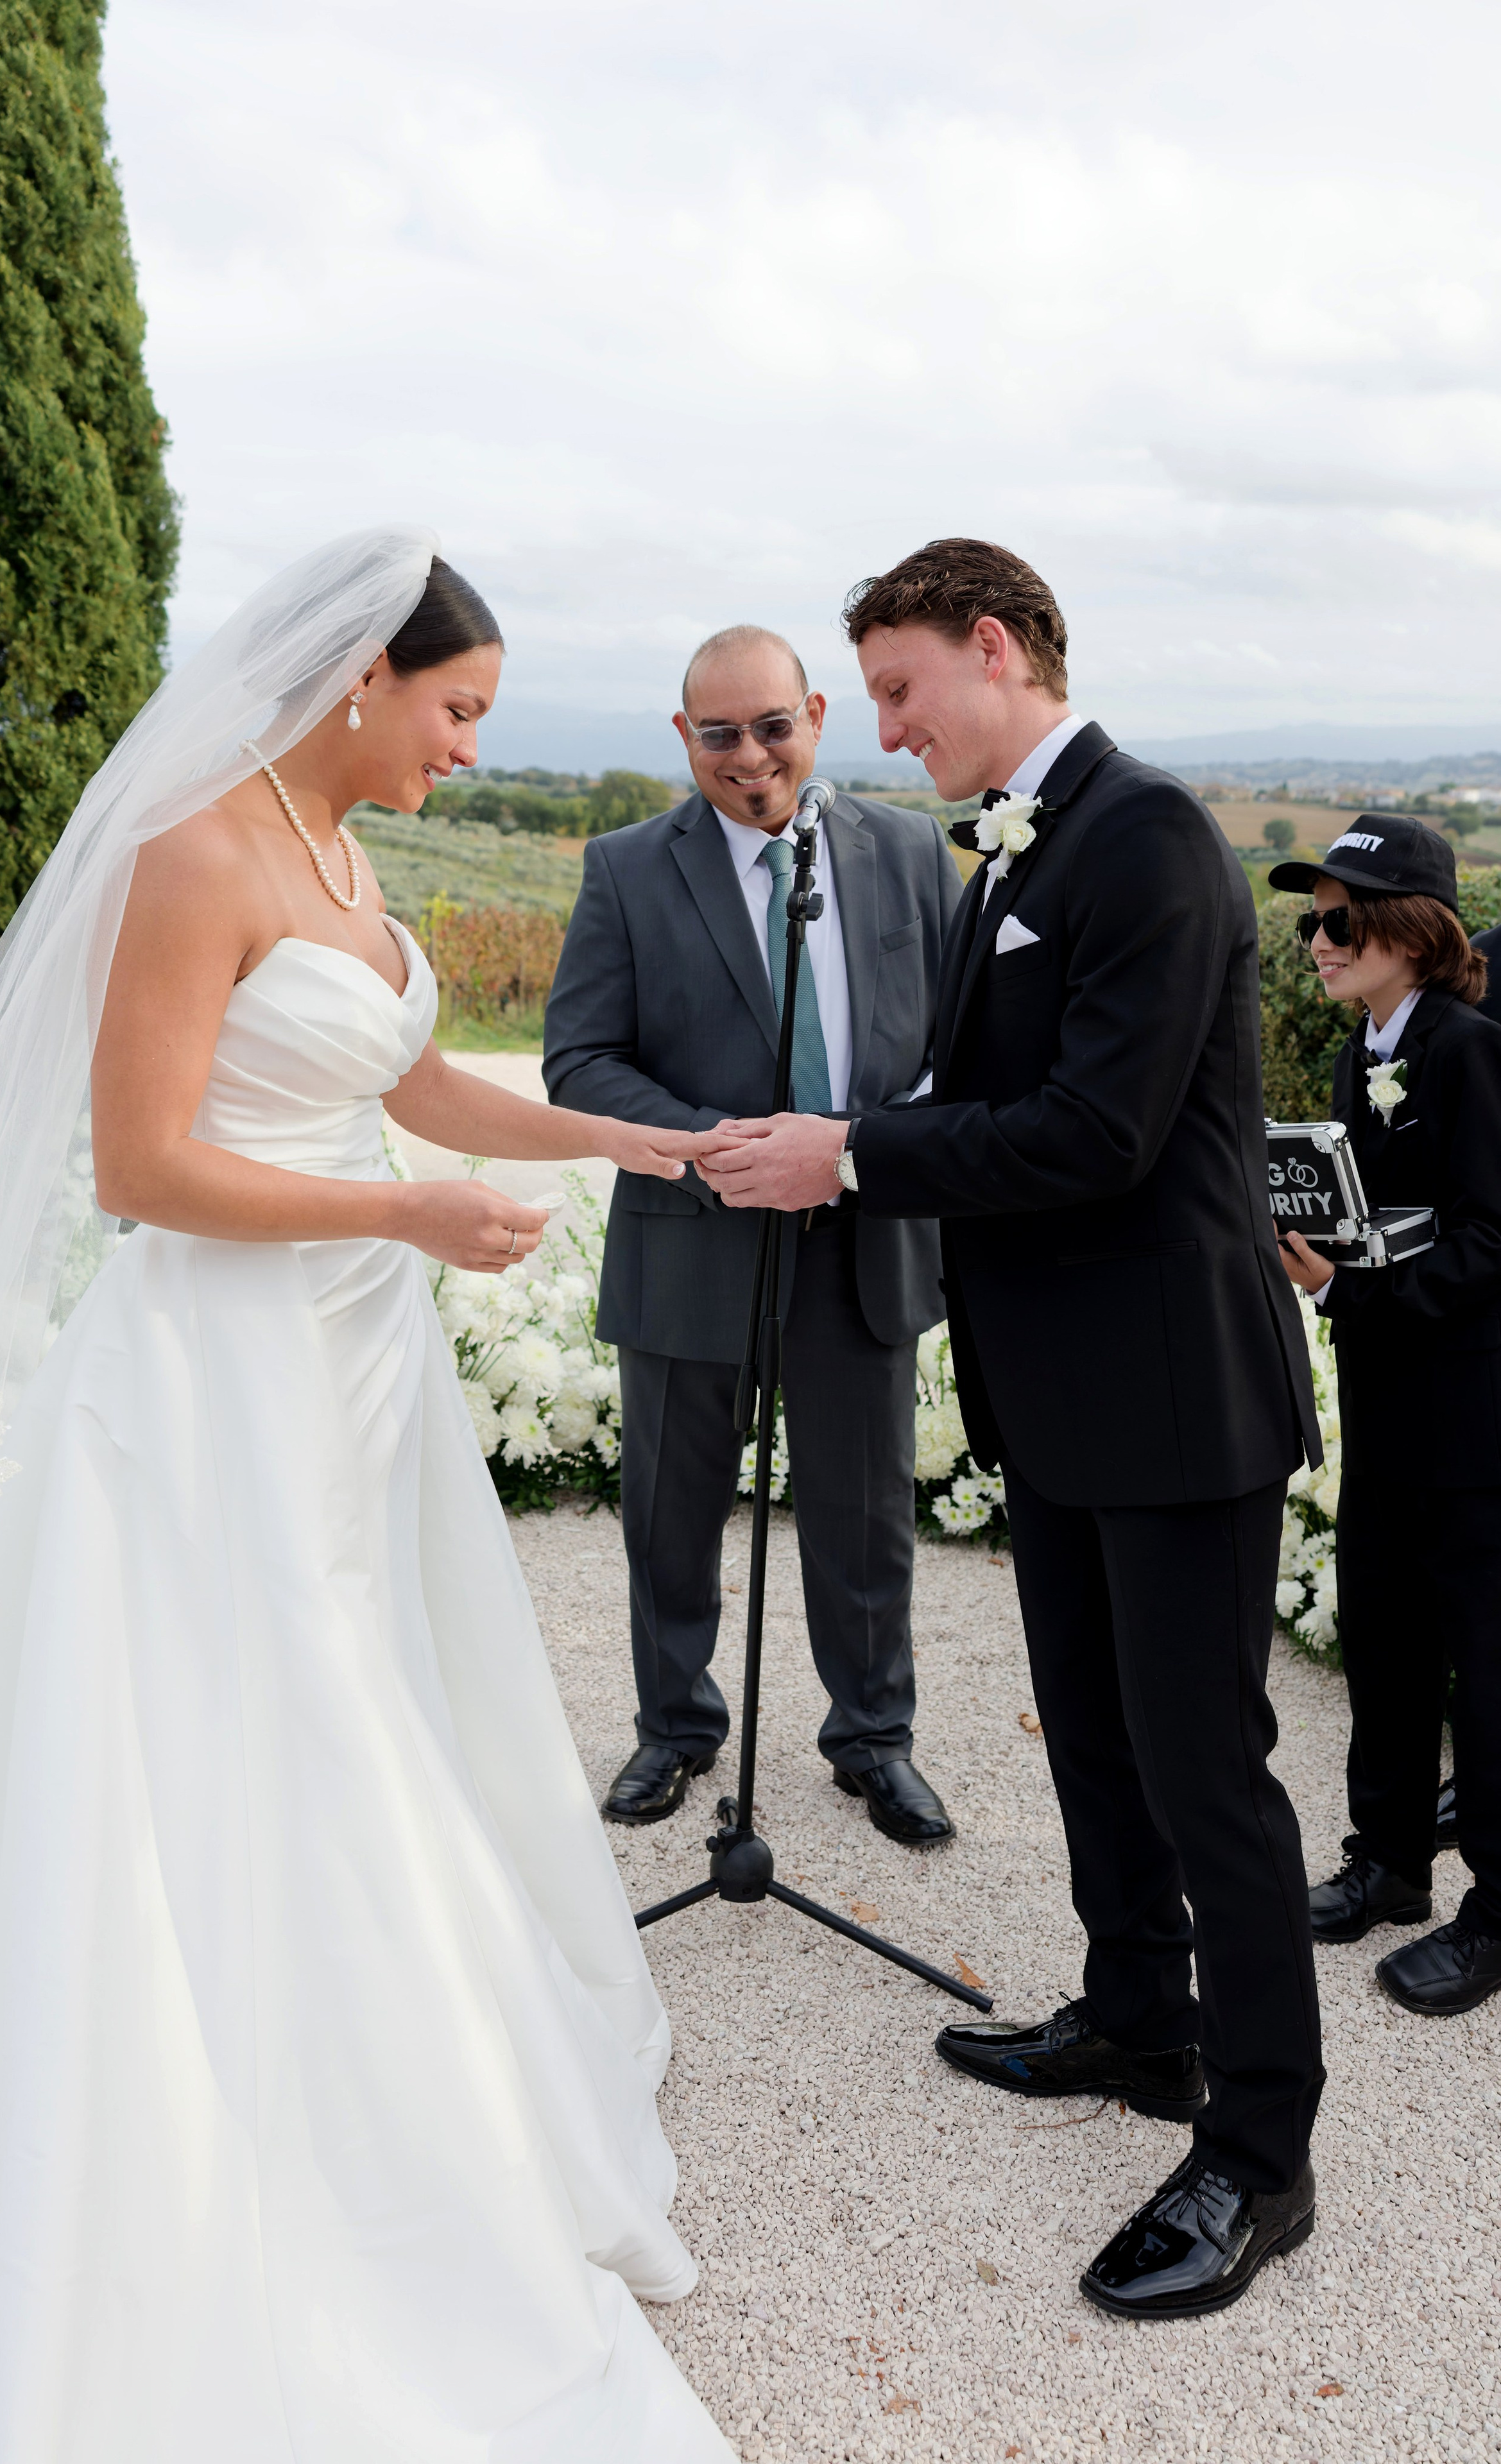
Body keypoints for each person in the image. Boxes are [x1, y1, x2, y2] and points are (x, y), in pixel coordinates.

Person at [0, 533, 733, 2460]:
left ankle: (383, 2066)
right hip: (214, 1377)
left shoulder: (343, 858)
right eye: (458, 710)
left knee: (366, 1685)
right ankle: (228, 2113)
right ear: (359, 678)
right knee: (255, 1715)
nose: (469, 749)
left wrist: (641, 1144)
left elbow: (414, 1083)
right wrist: (402, 1218)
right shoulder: (193, 855)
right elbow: (142, 1170)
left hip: (353, 1368)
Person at [698, 538, 1326, 2322]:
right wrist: (836, 1129)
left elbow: (1096, 1135)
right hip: (1060, 1397)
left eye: (898, 690)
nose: (884, 731)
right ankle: (1139, 2024)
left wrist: (855, 1157)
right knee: (1097, 1745)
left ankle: (1260, 2154)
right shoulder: (1025, 848)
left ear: (994, 648)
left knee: (1206, 1773)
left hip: (1177, 1396)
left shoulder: (1149, 840)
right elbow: (987, 1091)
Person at [544, 625, 959, 1842]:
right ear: (684, 736)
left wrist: (856, 1149)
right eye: (718, 734)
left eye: (773, 726)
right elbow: (580, 1062)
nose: (750, 755)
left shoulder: (908, 851)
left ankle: (873, 1739)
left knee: (866, 1514)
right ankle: (674, 1730)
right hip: (691, 1235)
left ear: (816, 717)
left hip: (861, 1238)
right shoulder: (626, 867)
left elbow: (962, 1044)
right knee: (671, 1513)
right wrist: (718, 1149)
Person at [1273, 816, 1501, 2017]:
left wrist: (1349, 1290)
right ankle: (1391, 1863)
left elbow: (1492, 1241)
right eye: (1312, 922)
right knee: (1386, 1638)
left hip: (1474, 1420)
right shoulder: (1361, 1054)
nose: (1319, 940)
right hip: (1389, 1407)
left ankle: (1496, 1915)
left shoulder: (1469, 1051)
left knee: (1487, 1668)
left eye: (1342, 920)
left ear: (1413, 932)